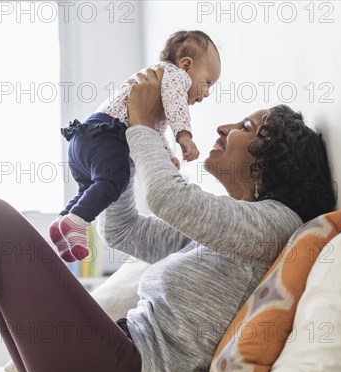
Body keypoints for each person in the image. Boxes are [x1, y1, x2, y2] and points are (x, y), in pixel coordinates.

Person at [0, 68, 336, 372]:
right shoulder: (231, 234)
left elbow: (169, 197)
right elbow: (124, 231)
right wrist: (117, 154)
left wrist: (143, 124)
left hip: (131, 368)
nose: (224, 126)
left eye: (247, 125)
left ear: (270, 162)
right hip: (114, 349)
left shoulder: (274, 224)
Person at [50, 30, 221, 262]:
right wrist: (184, 136)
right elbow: (175, 107)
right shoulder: (176, 76)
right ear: (187, 64)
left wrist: (166, 154)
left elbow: (151, 128)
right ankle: (77, 222)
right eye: (208, 82)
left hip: (84, 138)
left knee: (91, 188)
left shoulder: (155, 79)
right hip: (108, 137)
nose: (208, 92)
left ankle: (63, 222)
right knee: (115, 180)